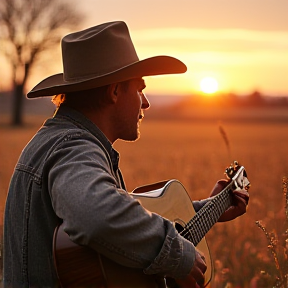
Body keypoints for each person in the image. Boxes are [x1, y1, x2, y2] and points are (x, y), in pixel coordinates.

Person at [3, 21, 249, 288]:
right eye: (140, 88)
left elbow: (123, 222)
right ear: (115, 91)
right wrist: (178, 255)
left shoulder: (64, 140)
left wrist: (208, 209)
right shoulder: (74, 147)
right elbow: (96, 214)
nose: (146, 102)